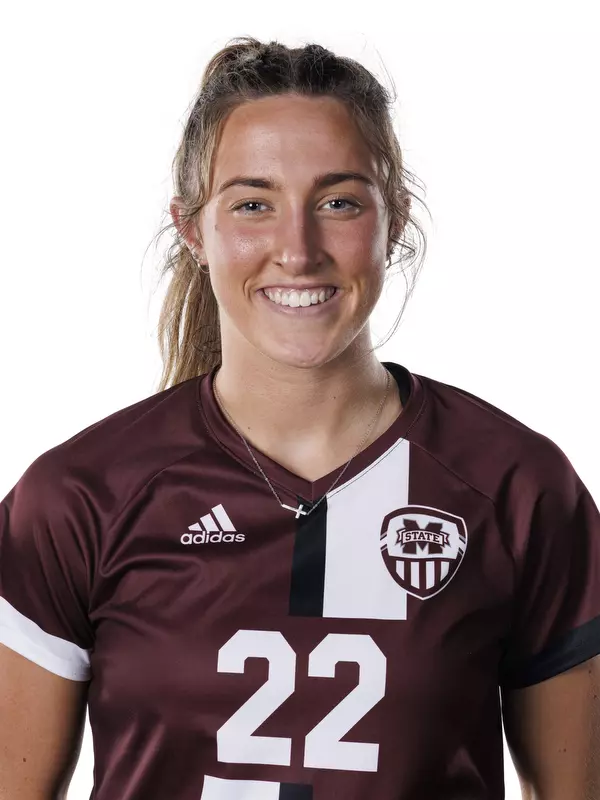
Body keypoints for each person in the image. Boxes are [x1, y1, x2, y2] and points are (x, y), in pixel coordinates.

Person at [0, 35, 599, 800]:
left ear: (394, 220)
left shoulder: (516, 488)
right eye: (253, 204)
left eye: (338, 202)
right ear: (193, 229)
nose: (297, 249)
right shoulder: (81, 495)